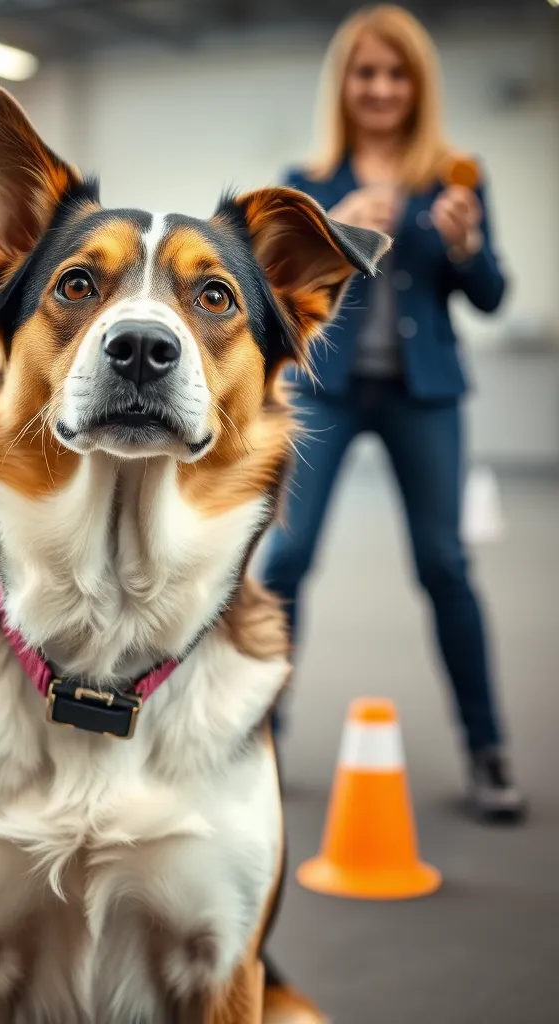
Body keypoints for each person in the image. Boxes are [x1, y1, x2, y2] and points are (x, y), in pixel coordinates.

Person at [261, 4, 526, 823]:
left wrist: (466, 246)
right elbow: (276, 298)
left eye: (395, 73)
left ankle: (486, 750)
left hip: (425, 393)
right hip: (326, 390)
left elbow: (490, 296)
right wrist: (331, 235)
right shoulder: (307, 182)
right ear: (344, 84)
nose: (380, 87)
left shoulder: (454, 177)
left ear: (417, 86)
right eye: (365, 72)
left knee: (444, 565)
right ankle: (256, 737)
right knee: (288, 557)